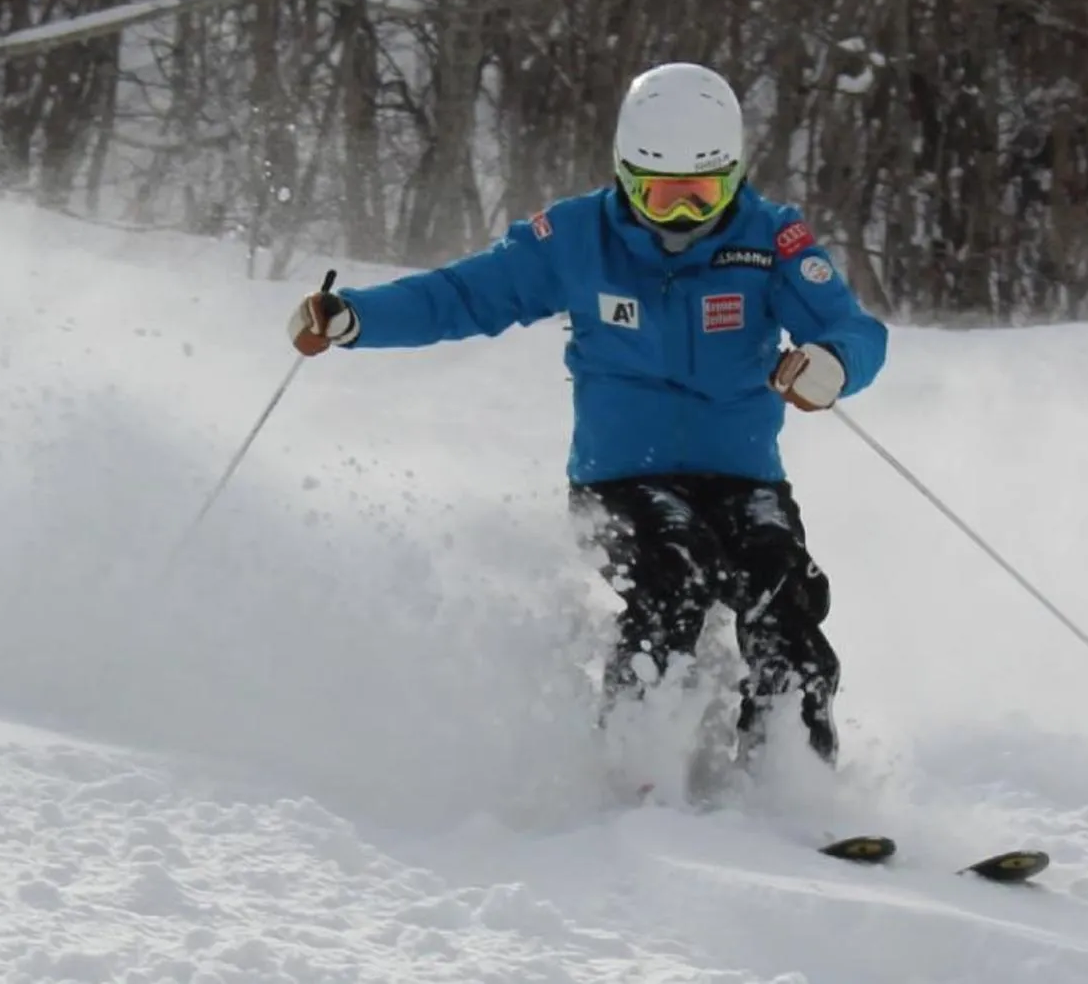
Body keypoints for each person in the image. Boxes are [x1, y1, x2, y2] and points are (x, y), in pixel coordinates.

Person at [285, 62, 889, 771]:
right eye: (661, 196)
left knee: (781, 593)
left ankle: (790, 780)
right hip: (620, 484)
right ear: (626, 177)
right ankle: (634, 764)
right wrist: (354, 318)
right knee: (674, 573)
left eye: (703, 193)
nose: (684, 217)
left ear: (733, 175)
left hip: (743, 480)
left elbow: (854, 329)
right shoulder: (573, 238)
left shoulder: (770, 240)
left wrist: (832, 364)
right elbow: (462, 296)